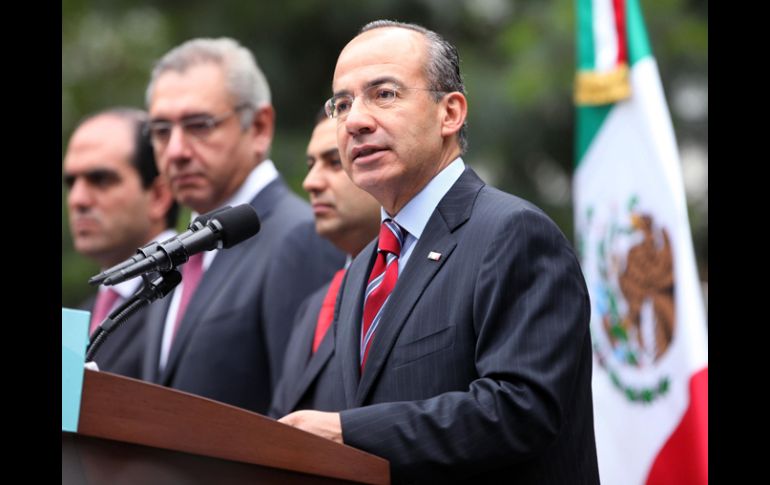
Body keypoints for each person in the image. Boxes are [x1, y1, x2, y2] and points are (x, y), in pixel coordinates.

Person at [279, 21, 600, 484]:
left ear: (449, 113)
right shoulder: (361, 270)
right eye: (342, 104)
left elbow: (522, 408)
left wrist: (347, 431)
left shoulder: (513, 234)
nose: (355, 121)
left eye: (384, 94)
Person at [140, 37, 344, 414]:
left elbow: (301, 415)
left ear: (261, 127)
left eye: (199, 125)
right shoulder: (176, 250)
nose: (175, 152)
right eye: (161, 131)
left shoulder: (299, 236)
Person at [269, 110, 380, 417]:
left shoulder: (404, 284)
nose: (310, 182)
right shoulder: (313, 306)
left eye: (334, 162)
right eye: (310, 165)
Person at [63, 108, 179, 378]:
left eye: (100, 179)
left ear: (160, 196)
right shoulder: (83, 315)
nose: (77, 199)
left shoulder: (187, 299)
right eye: (71, 182)